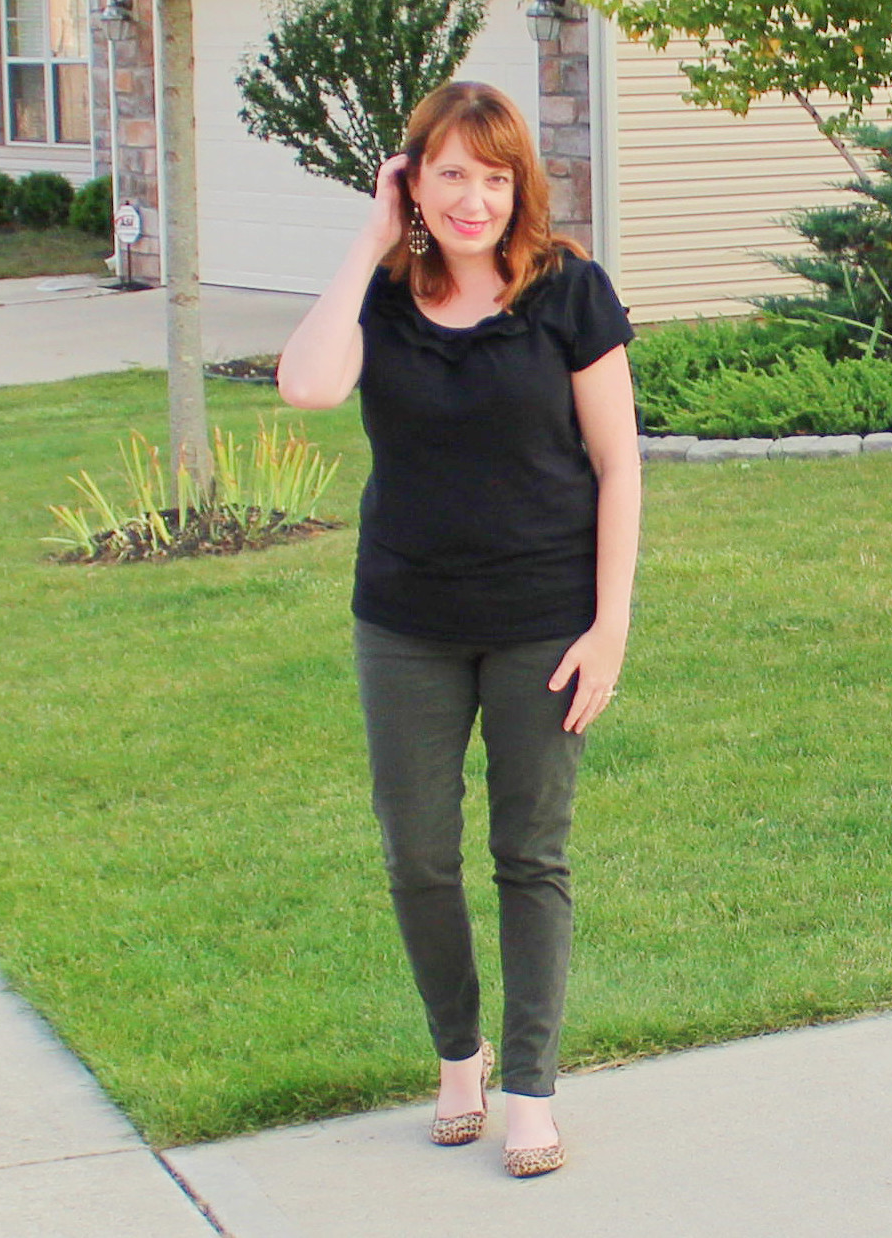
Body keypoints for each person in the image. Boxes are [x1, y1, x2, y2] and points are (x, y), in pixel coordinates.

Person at [277, 80, 641, 1178]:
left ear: (517, 182)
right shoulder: (381, 297)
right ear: (413, 181)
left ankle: (528, 1084)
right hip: (406, 620)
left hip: (542, 619)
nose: (474, 197)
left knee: (531, 854)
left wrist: (609, 625)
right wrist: (368, 238)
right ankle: (457, 1053)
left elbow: (620, 461)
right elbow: (304, 386)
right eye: (449, 174)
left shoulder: (569, 290)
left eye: (493, 175)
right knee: (417, 855)